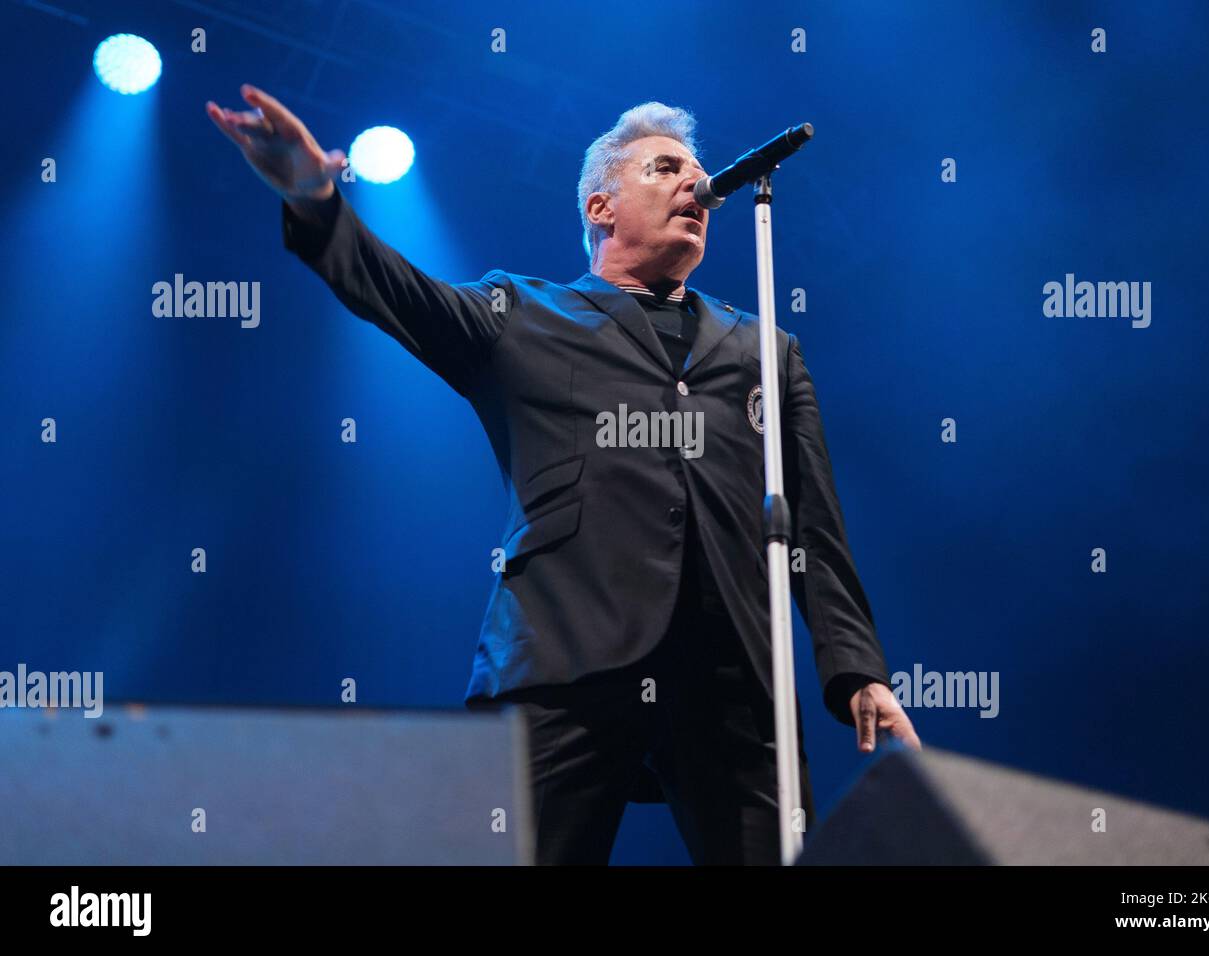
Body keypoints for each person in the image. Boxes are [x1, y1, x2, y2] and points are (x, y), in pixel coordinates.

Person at [206, 85, 921, 865]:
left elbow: (814, 522)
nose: (695, 185)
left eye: (699, 173)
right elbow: (399, 295)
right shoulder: (523, 315)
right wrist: (318, 204)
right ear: (600, 206)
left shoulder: (766, 350)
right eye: (664, 168)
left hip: (732, 673)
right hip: (565, 654)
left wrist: (856, 668)